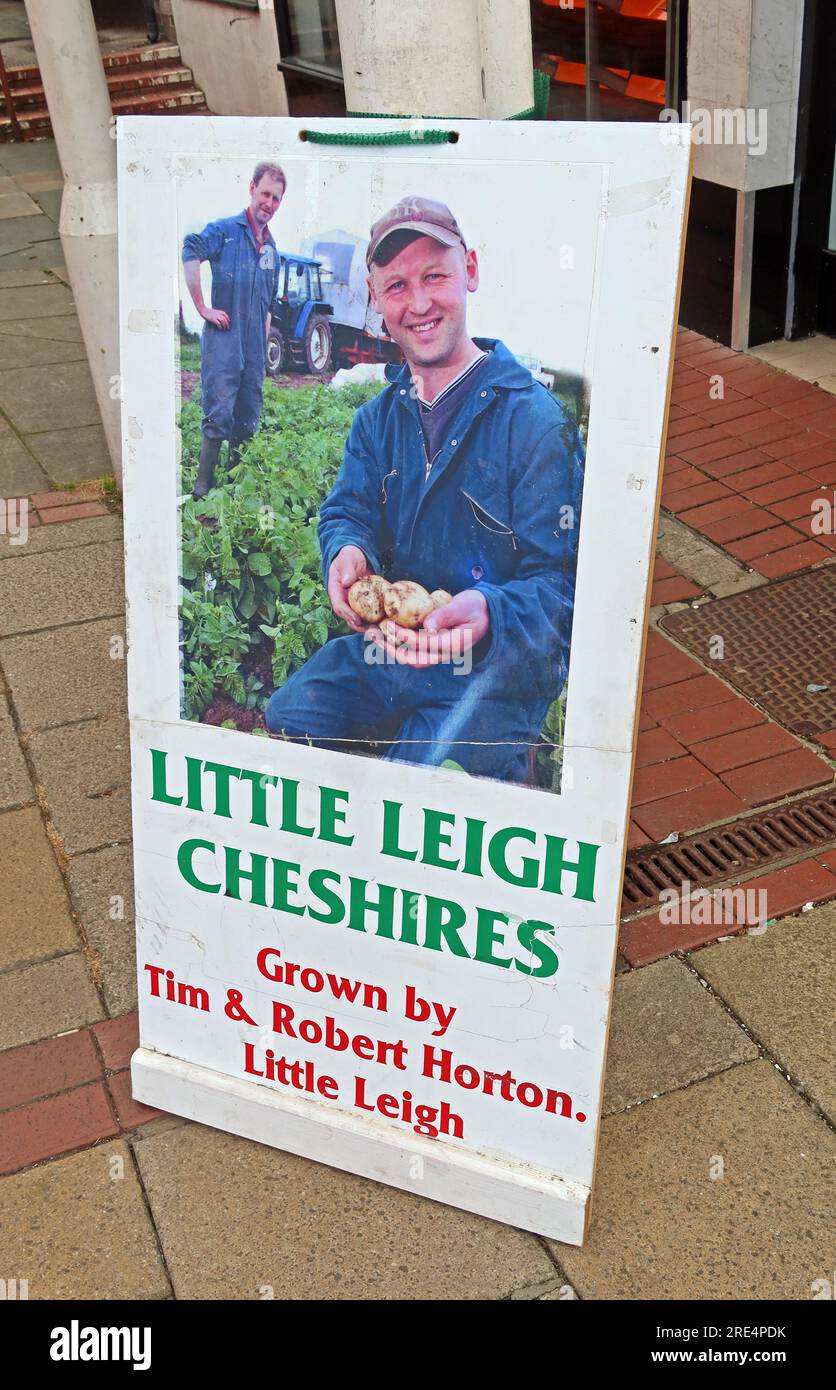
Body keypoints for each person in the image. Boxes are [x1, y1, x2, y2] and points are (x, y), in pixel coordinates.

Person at [265, 195, 585, 784]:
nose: (417, 304)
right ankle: (411, 743)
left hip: (493, 672)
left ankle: (495, 760)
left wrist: (489, 612)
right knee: (289, 718)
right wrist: (346, 549)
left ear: (471, 270)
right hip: (394, 648)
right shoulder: (376, 422)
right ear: (376, 298)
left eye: (434, 276)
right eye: (396, 286)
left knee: (416, 788)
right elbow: (347, 510)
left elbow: (566, 590)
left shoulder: (537, 426)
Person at [182, 163, 285, 500]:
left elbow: (268, 305)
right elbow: (191, 248)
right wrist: (202, 308)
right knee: (220, 413)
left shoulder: (272, 251)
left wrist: (263, 348)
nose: (269, 203)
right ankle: (202, 490)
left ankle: (232, 489)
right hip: (225, 338)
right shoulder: (225, 231)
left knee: (248, 416)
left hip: (254, 347)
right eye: (265, 193)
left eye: (276, 198)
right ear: (252, 188)